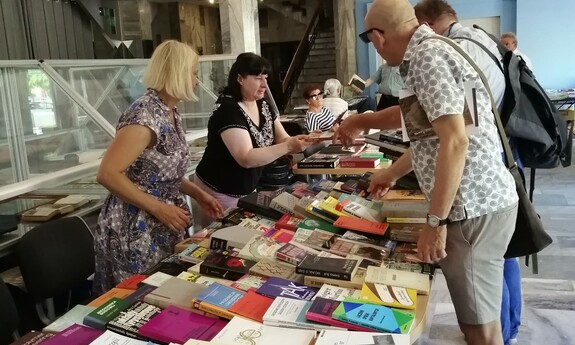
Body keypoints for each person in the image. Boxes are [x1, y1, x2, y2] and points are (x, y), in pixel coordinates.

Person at [362, 1, 519, 345]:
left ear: (377, 36)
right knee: (478, 319)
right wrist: (390, 170)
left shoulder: (426, 57)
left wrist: (435, 223)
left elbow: (455, 142)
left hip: (472, 207)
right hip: (484, 201)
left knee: (481, 330)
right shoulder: (436, 47)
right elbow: (430, 130)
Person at [413, 2, 522, 344]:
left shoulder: (434, 52)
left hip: (474, 194)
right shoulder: (479, 41)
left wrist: (435, 223)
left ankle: (501, 334)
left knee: (482, 319)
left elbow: (456, 138)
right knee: (496, 271)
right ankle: (510, 330)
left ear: (425, 23)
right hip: (492, 182)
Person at [94, 40, 224, 293]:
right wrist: (158, 208)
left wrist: (199, 194)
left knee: (167, 290)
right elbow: (107, 173)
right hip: (135, 226)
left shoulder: (170, 111)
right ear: (177, 73)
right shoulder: (144, 115)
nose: (197, 81)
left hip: (164, 219)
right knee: (140, 296)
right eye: (194, 73)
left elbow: (163, 175)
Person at [194, 53, 314, 227]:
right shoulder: (228, 109)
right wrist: (288, 146)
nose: (265, 84)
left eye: (265, 78)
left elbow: (282, 138)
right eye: (258, 78)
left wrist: (302, 141)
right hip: (218, 190)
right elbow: (246, 157)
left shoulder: (263, 104)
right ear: (240, 79)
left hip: (247, 188)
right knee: (220, 240)